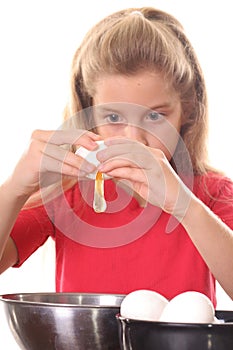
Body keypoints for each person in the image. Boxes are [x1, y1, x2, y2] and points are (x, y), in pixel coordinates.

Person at [0, 7, 232, 308]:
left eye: (154, 116)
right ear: (89, 111)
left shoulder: (213, 194)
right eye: (113, 116)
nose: (133, 139)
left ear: (187, 110)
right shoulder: (64, 195)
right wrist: (14, 190)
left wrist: (185, 207)